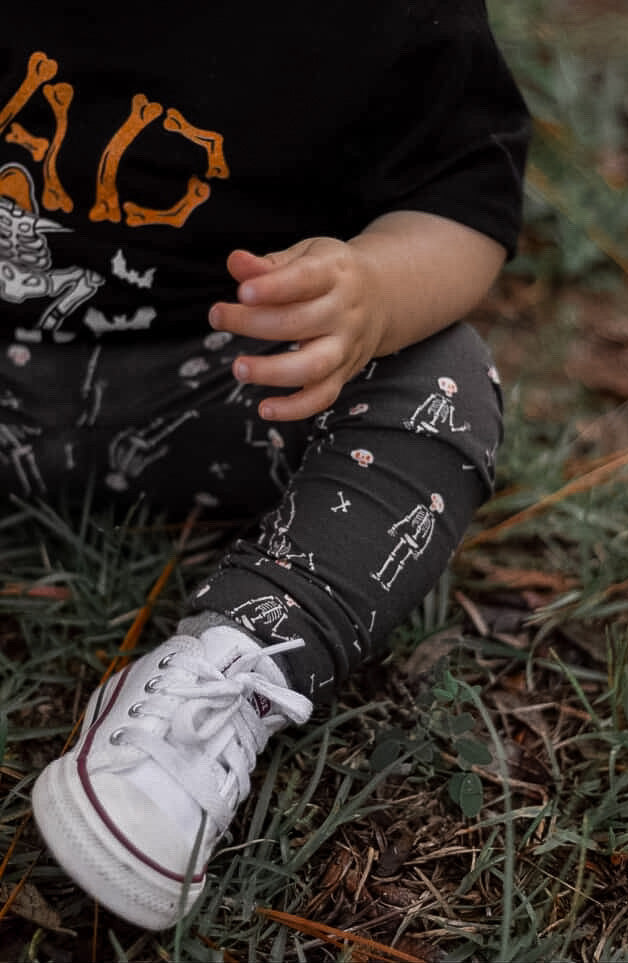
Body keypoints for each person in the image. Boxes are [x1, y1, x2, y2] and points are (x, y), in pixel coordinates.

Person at [1, 0, 531, 931]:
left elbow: (463, 193)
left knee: (442, 380)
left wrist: (373, 290)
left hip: (235, 386)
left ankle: (225, 674)